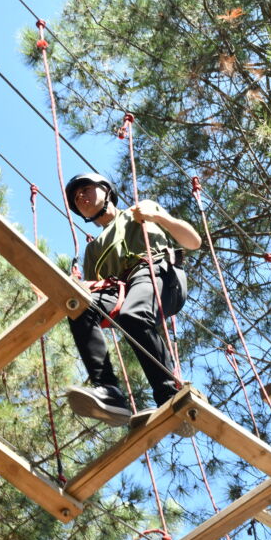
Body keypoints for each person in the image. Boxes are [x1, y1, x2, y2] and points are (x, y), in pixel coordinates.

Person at [63, 172, 201, 431]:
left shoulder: (139, 212)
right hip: (123, 288)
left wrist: (157, 216)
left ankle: (170, 395)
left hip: (158, 270)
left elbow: (194, 242)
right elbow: (97, 297)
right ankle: (109, 391)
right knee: (79, 304)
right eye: (75, 197)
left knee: (133, 316)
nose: (80, 197)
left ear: (106, 190)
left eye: (85, 189)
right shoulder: (93, 250)